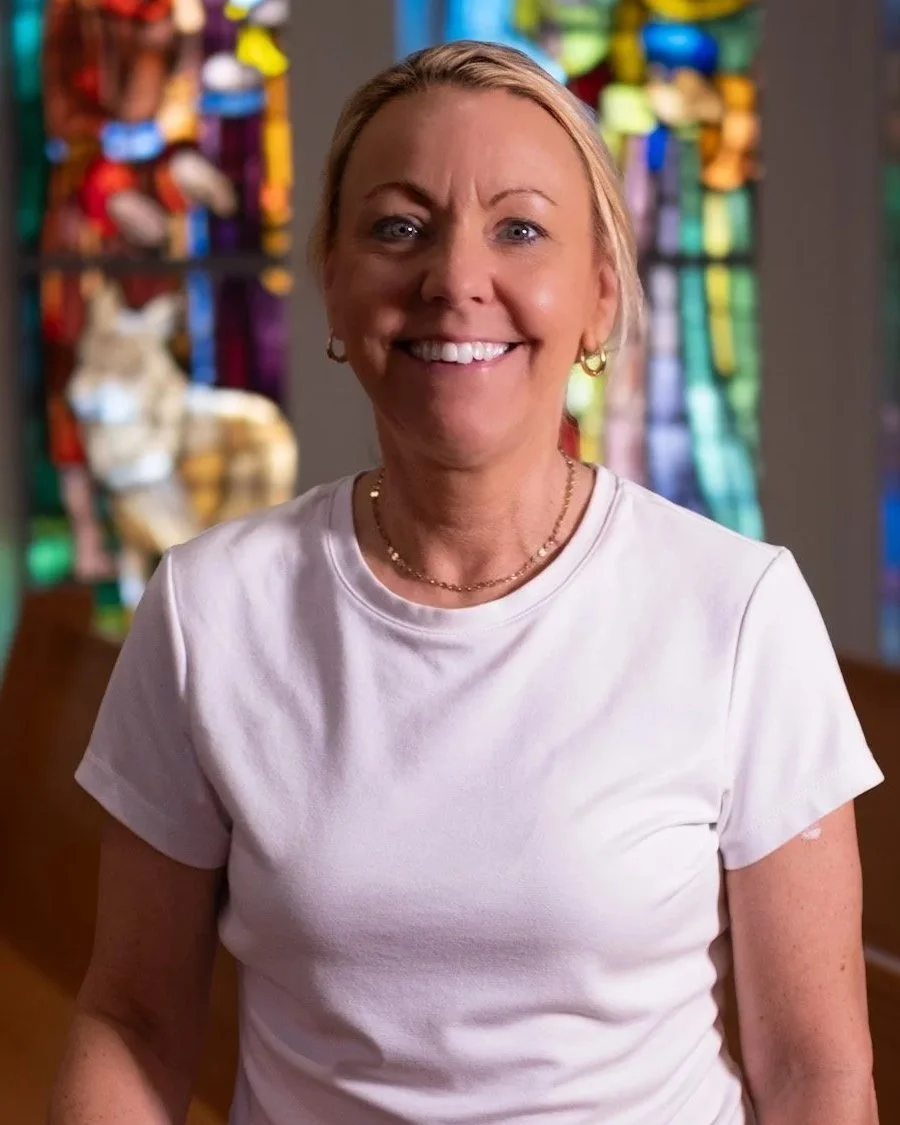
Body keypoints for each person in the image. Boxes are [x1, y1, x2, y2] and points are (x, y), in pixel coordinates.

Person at [49, 40, 883, 1125]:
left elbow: (815, 1071)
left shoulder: (737, 612)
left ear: (596, 300)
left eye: (519, 228)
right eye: (399, 227)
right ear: (336, 286)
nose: (455, 279)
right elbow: (134, 1021)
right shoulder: (213, 611)